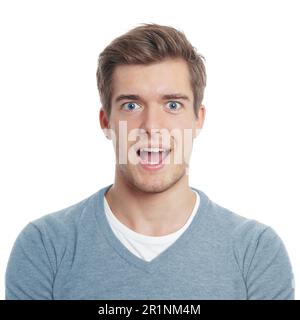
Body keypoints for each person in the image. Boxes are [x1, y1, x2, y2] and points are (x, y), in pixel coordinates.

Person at [5, 23, 295, 300]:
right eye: (131, 105)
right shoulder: (45, 246)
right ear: (106, 121)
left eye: (172, 105)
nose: (152, 126)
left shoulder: (255, 252)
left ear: (198, 120)